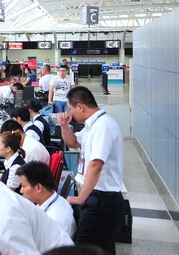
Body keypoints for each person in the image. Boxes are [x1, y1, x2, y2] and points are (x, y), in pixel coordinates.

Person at [59, 86, 124, 254]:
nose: (70, 113)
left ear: (80, 106)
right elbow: (73, 142)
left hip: (101, 199)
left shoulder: (103, 127)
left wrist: (81, 198)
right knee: (101, 248)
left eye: (71, 109)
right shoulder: (92, 126)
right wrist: (64, 126)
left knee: (81, 248)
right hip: (96, 197)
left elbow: (96, 165)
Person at [17, 162, 76, 237]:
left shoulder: (54, 220)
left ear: (38, 187)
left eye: (23, 186)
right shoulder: (54, 200)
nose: (21, 191)